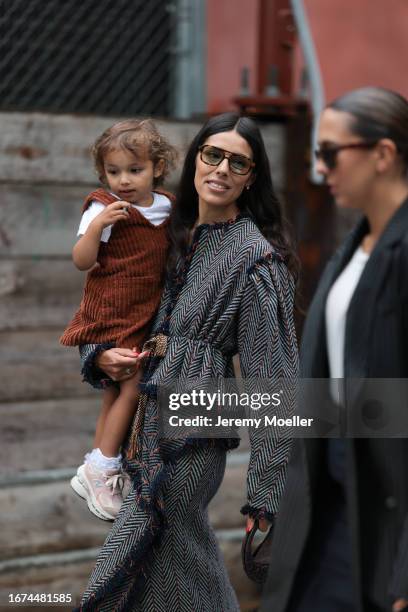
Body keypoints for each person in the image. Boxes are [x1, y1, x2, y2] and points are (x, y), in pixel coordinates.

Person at [74, 112, 299, 611]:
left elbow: (274, 380)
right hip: (140, 429)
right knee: (165, 574)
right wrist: (101, 355)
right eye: (212, 154)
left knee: (130, 569)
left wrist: (266, 494)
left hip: (191, 437)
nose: (221, 169)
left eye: (237, 163)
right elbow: (113, 305)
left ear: (252, 176)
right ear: (195, 158)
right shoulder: (163, 231)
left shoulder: (254, 259)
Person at [261, 87, 408, 612]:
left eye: (330, 153)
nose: (322, 170)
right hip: (331, 484)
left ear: (383, 154)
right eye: (315, 156)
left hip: (386, 500)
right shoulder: (357, 245)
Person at [60, 119, 177, 522]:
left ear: (157, 167)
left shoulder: (167, 207)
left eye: (134, 170)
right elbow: (82, 261)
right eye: (113, 172)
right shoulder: (102, 206)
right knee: (131, 382)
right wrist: (96, 227)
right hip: (110, 305)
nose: (123, 181)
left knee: (116, 388)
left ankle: (96, 468)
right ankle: (105, 464)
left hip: (142, 308)